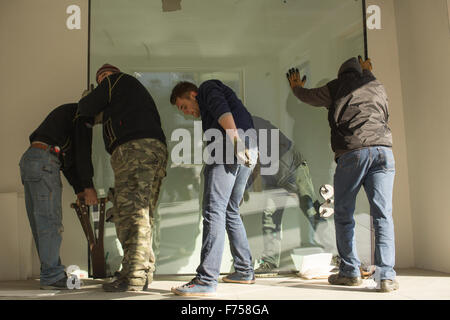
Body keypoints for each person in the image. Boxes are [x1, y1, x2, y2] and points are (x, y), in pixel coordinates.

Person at [286, 56, 398, 292]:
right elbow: (385, 114)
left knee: (344, 213)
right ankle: (386, 276)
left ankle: (350, 271)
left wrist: (296, 87)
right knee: (383, 215)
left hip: (353, 153)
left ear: (341, 74)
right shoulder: (376, 85)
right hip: (383, 152)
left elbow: (309, 97)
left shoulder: (337, 86)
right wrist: (369, 73)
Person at [78, 64, 168, 292]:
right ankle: (141, 270)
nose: (103, 81)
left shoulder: (116, 82)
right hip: (151, 149)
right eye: (100, 80)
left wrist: (89, 96)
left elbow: (85, 108)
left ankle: (133, 276)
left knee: (131, 214)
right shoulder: (126, 97)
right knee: (143, 213)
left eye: (104, 78)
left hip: (134, 150)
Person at [169, 80, 258, 296]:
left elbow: (221, 107)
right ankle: (245, 270)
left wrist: (235, 140)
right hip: (250, 148)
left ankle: (206, 279)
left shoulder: (207, 88)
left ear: (192, 94)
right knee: (230, 210)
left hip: (232, 145)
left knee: (214, 210)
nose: (186, 113)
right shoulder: (208, 114)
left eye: (183, 106)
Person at [19, 103, 97, 290]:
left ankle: (50, 273)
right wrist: (88, 187)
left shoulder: (68, 117)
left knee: (40, 222)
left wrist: (79, 188)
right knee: (50, 221)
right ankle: (52, 276)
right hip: (45, 160)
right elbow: (82, 153)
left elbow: (68, 159)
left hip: (30, 159)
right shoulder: (84, 113)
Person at [246, 116, 326, 275]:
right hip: (273, 177)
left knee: (311, 210)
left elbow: (283, 145)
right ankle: (270, 263)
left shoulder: (256, 124)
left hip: (292, 169)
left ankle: (336, 252)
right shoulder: (243, 131)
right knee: (269, 217)